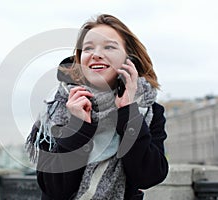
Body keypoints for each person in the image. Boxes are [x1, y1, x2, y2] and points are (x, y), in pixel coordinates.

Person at [26, 14, 168, 200]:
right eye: (88, 48)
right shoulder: (56, 110)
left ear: (130, 60)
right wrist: (78, 127)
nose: (96, 54)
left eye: (109, 47)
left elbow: (149, 177)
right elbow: (54, 189)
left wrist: (128, 113)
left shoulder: (149, 111)